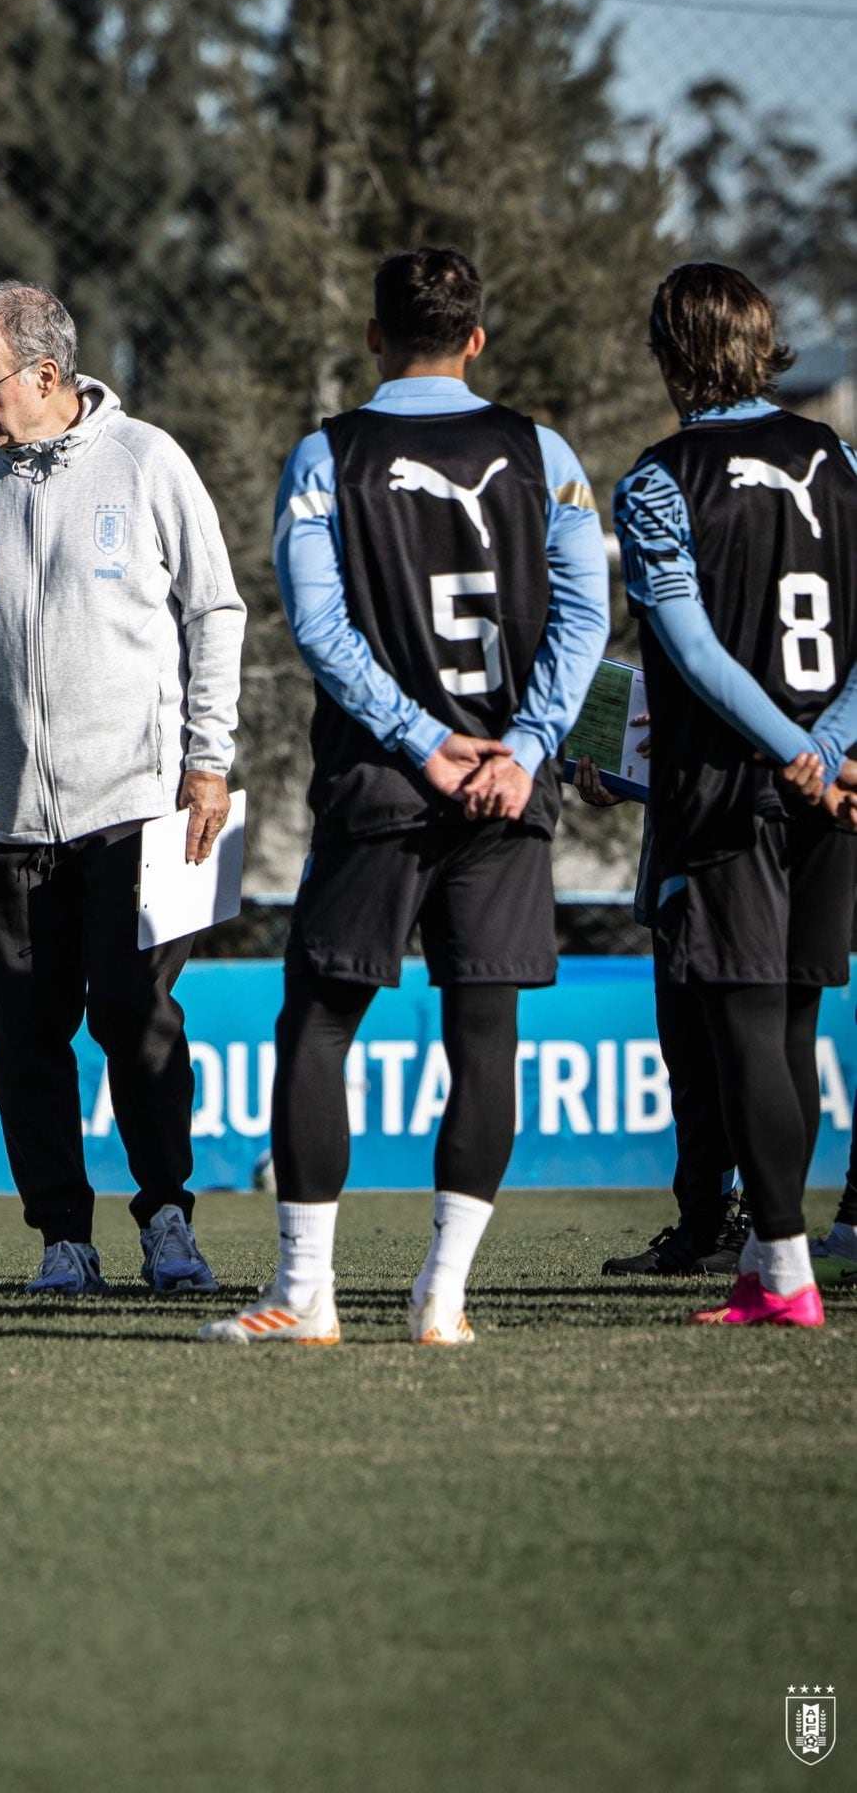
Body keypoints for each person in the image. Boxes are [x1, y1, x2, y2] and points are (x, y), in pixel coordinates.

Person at [201, 246, 609, 1347]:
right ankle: (442, 1297)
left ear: (374, 336)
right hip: (507, 791)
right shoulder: (546, 452)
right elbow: (585, 618)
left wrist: (426, 743)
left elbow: (322, 630)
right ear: (476, 338)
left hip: (384, 783)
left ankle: (306, 1293)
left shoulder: (327, 455)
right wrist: (522, 746)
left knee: (319, 1027)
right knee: (487, 1037)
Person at [0, 281, 245, 1297]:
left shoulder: (148, 459)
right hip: (5, 817)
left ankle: (167, 1216)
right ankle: (61, 1240)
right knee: (26, 1036)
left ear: (46, 373)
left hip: (138, 806)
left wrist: (209, 759)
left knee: (139, 1013)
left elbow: (216, 609)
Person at [614, 260, 857, 1329]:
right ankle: (770, 1260)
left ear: (674, 353)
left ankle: (785, 1272)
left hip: (729, 790)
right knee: (794, 1026)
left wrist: (794, 750)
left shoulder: (661, 479)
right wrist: (836, 747)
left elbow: (696, 651)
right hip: (836, 789)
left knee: (750, 1029)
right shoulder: (843, 460)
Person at [572, 738, 752, 1276]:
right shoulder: (678, 666)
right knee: (693, 1068)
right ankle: (703, 1228)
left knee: (750, 1063)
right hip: (674, 885)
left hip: (748, 882)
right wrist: (620, 775)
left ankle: (764, 1230)